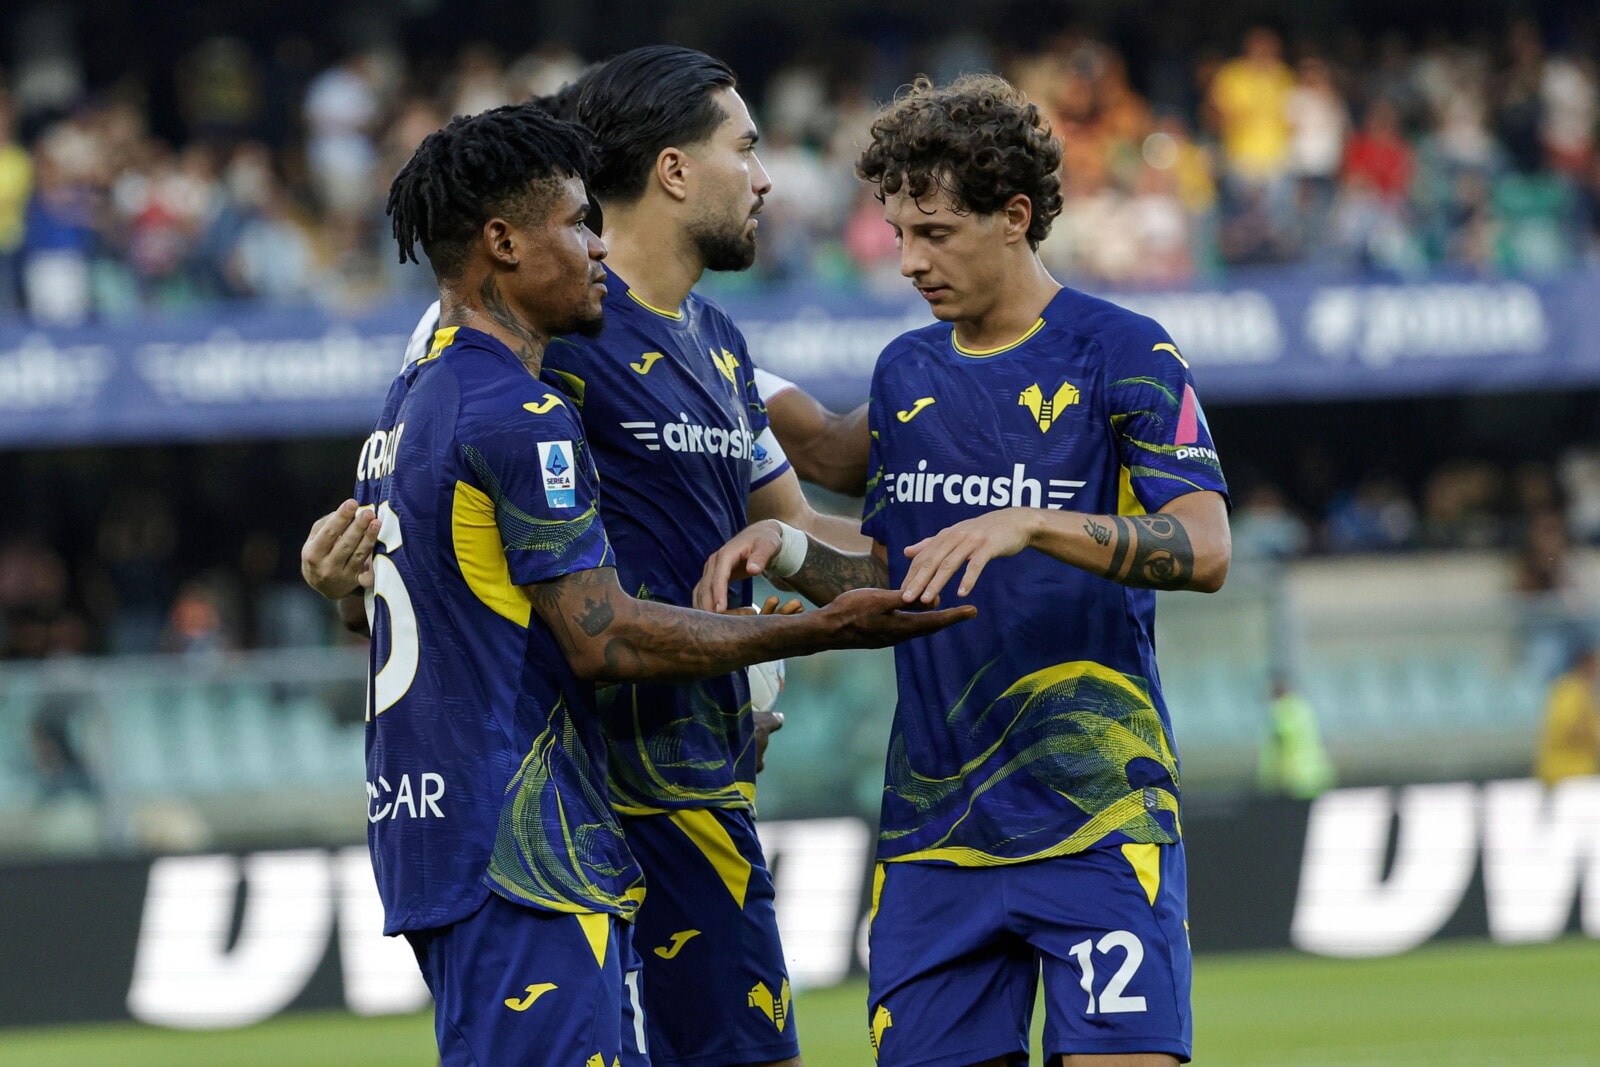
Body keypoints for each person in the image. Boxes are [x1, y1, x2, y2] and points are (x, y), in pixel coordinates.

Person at [358, 102, 972, 1067]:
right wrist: (816, 631)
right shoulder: (521, 410)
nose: (596, 246)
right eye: (577, 224)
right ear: (504, 242)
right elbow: (604, 636)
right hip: (519, 836)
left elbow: (391, 601)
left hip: (450, 825)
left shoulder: (409, 406)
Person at [696, 74, 1232, 1066]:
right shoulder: (908, 370)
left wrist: (1033, 523)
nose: (909, 261)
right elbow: (893, 568)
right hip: (933, 836)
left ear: (1015, 216)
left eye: (935, 233)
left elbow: (1204, 548)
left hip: (1095, 817)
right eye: (899, 232)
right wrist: (792, 546)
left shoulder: (1124, 352)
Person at [1535, 646, 1600, 786]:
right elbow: (1569, 733)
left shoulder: (1590, 694)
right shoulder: (1566, 691)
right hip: (1563, 773)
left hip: (1584, 773)